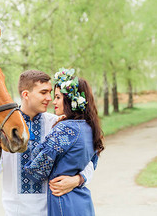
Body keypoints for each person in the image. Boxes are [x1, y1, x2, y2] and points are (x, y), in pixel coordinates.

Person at [0, 70, 95, 215]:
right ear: (26, 95)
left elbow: (88, 161)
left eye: (50, 93)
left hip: (52, 209)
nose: (49, 98)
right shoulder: (6, 127)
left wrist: (78, 180)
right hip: (15, 211)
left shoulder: (58, 124)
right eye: (43, 92)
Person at [22, 68, 105, 216]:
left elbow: (36, 171)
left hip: (63, 202)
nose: (53, 101)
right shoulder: (90, 127)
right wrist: (79, 179)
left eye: (58, 97)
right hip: (82, 200)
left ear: (70, 100)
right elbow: (93, 162)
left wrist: (41, 143)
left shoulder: (64, 128)